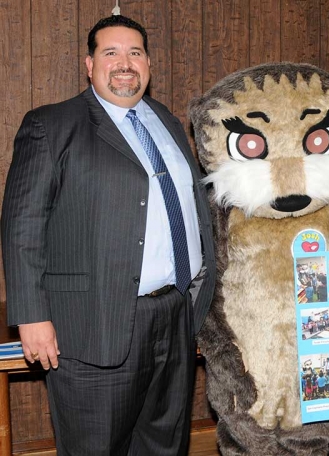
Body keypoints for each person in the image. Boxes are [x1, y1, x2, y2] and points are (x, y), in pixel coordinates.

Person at [0, 14, 215, 456]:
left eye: (135, 52)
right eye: (111, 52)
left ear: (148, 65)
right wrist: (31, 317)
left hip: (174, 317)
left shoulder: (167, 122)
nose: (125, 63)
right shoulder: (52, 126)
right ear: (88, 63)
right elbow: (22, 227)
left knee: (163, 445)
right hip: (94, 324)